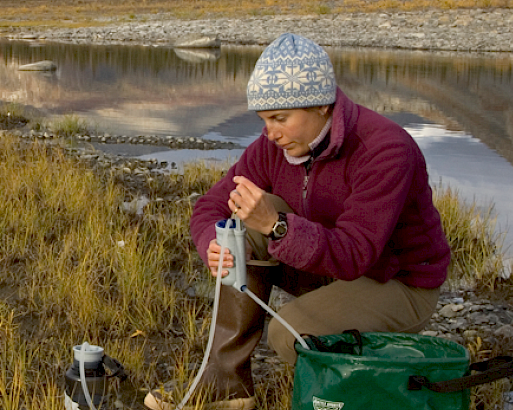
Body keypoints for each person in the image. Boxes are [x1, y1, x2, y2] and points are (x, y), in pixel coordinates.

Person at [145, 33, 451, 410]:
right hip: (325, 267)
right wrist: (214, 241)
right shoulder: (273, 147)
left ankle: (360, 387)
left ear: (321, 104)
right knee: (239, 226)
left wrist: (277, 225)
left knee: (288, 335)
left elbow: (356, 254)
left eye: (280, 118)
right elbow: (211, 204)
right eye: (263, 119)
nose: (270, 133)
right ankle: (228, 384)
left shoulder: (385, 150)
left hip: (395, 282)